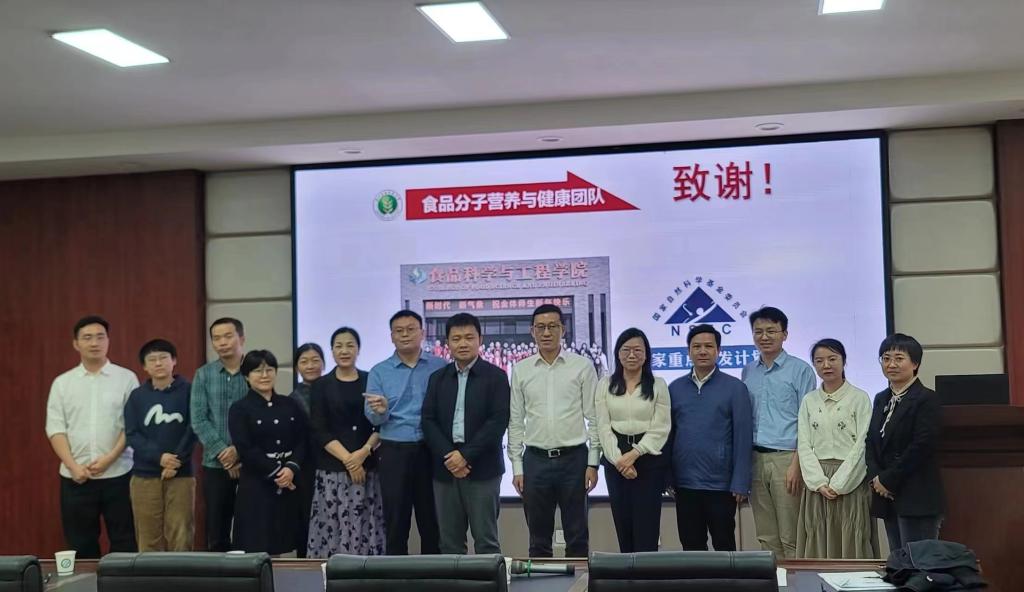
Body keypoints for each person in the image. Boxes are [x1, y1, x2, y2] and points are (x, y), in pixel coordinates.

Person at [508, 304, 601, 558]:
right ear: (532, 331)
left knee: (577, 537)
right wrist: (517, 467)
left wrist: (593, 463)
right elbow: (515, 421)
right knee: (538, 540)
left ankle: (580, 580)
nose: (546, 332)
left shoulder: (582, 366)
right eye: (540, 327)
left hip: (574, 460)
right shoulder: (522, 369)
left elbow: (594, 418)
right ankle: (542, 580)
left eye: (552, 326)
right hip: (535, 461)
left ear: (563, 329)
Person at [45, 315, 139, 558]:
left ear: (108, 340)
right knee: (80, 544)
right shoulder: (62, 383)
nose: (94, 343)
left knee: (126, 541)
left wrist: (109, 458)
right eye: (87, 338)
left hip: (120, 473)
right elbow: (55, 429)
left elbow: (131, 425)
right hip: (76, 477)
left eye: (100, 337)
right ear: (76, 344)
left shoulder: (126, 378)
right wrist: (73, 465)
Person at [422, 313, 511, 554]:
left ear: (480, 340)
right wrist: (450, 456)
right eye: (456, 338)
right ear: (447, 343)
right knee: (449, 544)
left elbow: (498, 421)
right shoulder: (437, 379)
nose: (463, 343)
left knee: (486, 542)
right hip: (446, 469)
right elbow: (428, 421)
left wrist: (465, 456)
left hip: (483, 469)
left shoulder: (496, 377)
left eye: (469, 337)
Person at [364, 310, 446, 555]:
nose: (405, 335)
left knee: (431, 520)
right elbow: (372, 417)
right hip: (393, 451)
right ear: (391, 337)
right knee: (396, 520)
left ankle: (433, 572)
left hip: (430, 450)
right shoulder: (379, 371)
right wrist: (381, 411)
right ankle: (395, 573)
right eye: (399, 331)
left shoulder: (439, 366)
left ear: (422, 333)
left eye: (411, 329)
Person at [668, 324, 753, 551]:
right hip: (685, 484)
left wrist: (740, 481)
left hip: (721, 485)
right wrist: (668, 476)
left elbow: (743, 437)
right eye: (696, 346)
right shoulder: (675, 389)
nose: (702, 351)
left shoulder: (735, 388)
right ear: (688, 351)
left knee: (724, 547)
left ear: (718, 351)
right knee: (691, 546)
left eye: (708, 346)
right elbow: (668, 436)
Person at [742, 306, 817, 558]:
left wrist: (797, 464)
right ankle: (775, 578)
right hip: (755, 459)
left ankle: (795, 579)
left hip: (787, 459)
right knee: (766, 535)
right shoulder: (748, 371)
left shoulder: (800, 370)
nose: (764, 336)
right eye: (758, 331)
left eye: (771, 331)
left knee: (791, 535)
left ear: (784, 334)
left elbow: (807, 422)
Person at [795, 338, 877, 558]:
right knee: (818, 538)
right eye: (819, 361)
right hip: (817, 482)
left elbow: (863, 444)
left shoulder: (859, 398)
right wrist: (819, 482)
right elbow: (804, 444)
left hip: (851, 479)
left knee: (851, 537)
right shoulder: (809, 400)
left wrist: (840, 484)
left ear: (844, 361)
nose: (826, 365)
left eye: (832, 359)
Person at [307, 327, 385, 557]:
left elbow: (381, 424)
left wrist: (363, 453)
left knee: (366, 523)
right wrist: (350, 461)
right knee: (333, 527)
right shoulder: (321, 385)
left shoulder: (371, 380)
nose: (344, 350)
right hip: (332, 469)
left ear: (358, 349)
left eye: (350, 345)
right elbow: (319, 429)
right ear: (331, 351)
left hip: (367, 467)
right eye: (338, 346)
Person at [866, 334, 945, 552]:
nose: (891, 364)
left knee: (919, 562)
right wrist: (876, 479)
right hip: (886, 496)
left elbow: (922, 446)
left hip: (916, 495)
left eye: (899, 358)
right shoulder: (881, 398)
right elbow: (871, 441)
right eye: (886, 358)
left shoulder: (926, 398)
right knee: (898, 562)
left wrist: (888, 480)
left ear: (915, 363)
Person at [594, 328, 670, 553]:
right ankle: (626, 572)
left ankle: (646, 573)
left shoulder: (658, 385)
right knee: (623, 522)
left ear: (646, 355)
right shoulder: (605, 384)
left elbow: (661, 427)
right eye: (626, 350)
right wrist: (619, 460)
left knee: (647, 525)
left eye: (638, 350)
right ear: (618, 354)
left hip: (648, 458)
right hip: (615, 459)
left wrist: (635, 453)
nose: (632, 355)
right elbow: (602, 426)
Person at [228, 349, 309, 554]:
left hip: (290, 480)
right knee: (257, 542)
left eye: (269, 370)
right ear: (246, 376)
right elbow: (245, 447)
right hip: (257, 483)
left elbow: (302, 439)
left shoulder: (290, 404)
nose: (264, 375)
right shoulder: (240, 408)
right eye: (257, 371)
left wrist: (291, 468)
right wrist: (277, 473)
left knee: (284, 540)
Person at [124, 339, 197, 552]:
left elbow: (194, 428)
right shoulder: (137, 396)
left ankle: (181, 573)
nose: (158, 363)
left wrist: (176, 461)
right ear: (144, 366)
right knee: (148, 535)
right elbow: (132, 434)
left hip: (181, 475)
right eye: (152, 360)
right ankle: (150, 574)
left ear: (174, 361)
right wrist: (160, 458)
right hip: (144, 476)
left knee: (181, 532)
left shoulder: (190, 391)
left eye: (164, 358)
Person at [190, 317, 248, 551]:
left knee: (250, 526)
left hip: (250, 463)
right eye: (216, 338)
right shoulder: (204, 374)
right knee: (217, 529)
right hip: (215, 464)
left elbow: (259, 417)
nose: (222, 342)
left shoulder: (255, 370)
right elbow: (198, 419)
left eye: (228, 336)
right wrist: (225, 454)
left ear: (241, 338)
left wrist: (239, 451)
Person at [290, 342, 324, 557]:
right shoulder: (292, 400)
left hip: (334, 462)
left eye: (315, 360)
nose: (310, 366)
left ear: (323, 363)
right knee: (306, 516)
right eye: (304, 361)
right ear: (296, 367)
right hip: (305, 466)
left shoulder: (332, 390)